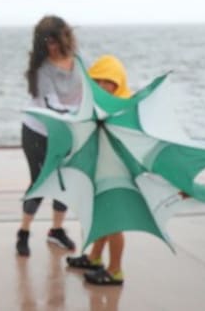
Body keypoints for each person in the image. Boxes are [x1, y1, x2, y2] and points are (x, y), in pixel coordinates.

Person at [66, 54, 132, 286]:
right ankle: (94, 258)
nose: (103, 86)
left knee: (113, 222)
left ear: (119, 82)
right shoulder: (97, 106)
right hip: (103, 171)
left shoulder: (125, 107)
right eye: (98, 81)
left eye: (109, 81)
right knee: (102, 217)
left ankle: (115, 271)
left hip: (119, 174)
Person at [16, 15, 80, 256]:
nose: (51, 47)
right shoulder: (42, 70)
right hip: (37, 132)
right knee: (40, 184)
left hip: (67, 132)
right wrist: (79, 115)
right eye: (46, 43)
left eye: (55, 41)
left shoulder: (79, 63)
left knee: (63, 183)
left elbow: (88, 96)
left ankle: (56, 231)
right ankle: (23, 232)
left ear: (65, 38)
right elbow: (51, 105)